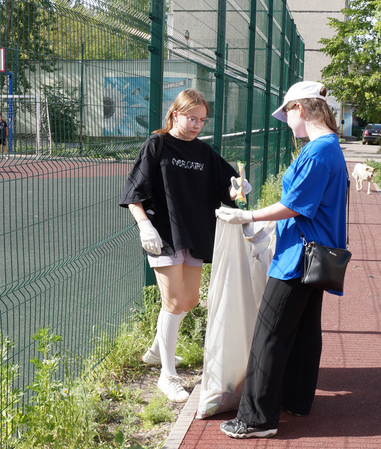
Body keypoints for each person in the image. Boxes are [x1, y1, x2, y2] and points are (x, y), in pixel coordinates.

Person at [214, 81, 347, 438]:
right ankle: (296, 399)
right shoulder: (329, 148)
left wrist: (248, 215)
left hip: (298, 256)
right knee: (303, 331)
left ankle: (256, 419)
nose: (285, 121)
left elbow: (295, 205)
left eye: (286, 112)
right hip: (317, 255)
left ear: (300, 109)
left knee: (269, 334)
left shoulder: (318, 152)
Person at [119, 88, 251, 402]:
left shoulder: (205, 153)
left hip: (195, 234)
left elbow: (228, 187)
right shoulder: (157, 144)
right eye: (192, 118)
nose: (196, 125)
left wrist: (238, 188)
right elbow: (135, 190)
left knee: (189, 301)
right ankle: (167, 376)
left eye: (202, 120)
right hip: (162, 234)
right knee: (174, 303)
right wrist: (144, 225)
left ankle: (155, 350)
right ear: (175, 114)